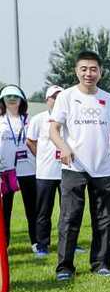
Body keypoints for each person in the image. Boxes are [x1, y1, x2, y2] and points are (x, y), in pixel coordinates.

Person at [49, 51, 110, 280]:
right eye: (84, 69)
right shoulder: (67, 97)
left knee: (104, 218)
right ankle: (65, 267)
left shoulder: (109, 99)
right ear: (76, 71)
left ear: (100, 72)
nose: (88, 73)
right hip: (74, 168)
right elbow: (54, 130)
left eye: (93, 69)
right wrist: (64, 147)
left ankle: (101, 263)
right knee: (70, 218)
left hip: (102, 168)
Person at [26, 85, 64, 257]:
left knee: (68, 212)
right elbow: (30, 141)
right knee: (43, 211)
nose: (56, 100)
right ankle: (42, 244)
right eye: (53, 97)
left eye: (59, 97)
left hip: (67, 171)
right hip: (45, 172)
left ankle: (69, 243)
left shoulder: (68, 118)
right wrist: (41, 156)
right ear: (46, 100)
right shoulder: (38, 119)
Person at [0, 85, 37, 247]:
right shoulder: (0, 121)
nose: (12, 100)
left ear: (22, 99)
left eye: (15, 96)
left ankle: (36, 242)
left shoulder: (30, 121)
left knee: (33, 209)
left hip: (29, 170)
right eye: (8, 97)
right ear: (2, 100)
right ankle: (4, 244)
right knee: (5, 210)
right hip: (6, 171)